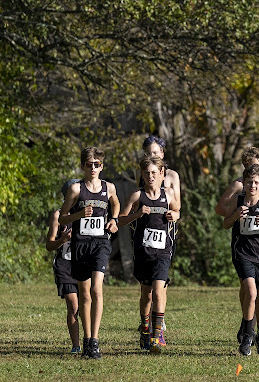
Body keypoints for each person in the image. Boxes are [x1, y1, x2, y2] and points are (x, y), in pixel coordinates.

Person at [215, 147, 259, 345]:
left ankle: (251, 326)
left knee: (257, 293)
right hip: (243, 243)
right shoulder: (239, 186)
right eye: (251, 167)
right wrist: (236, 214)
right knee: (247, 288)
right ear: (245, 169)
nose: (255, 169)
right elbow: (220, 208)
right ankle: (247, 325)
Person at [58, 147, 120, 359]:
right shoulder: (76, 190)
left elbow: (116, 204)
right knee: (84, 294)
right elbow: (62, 218)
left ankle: (95, 339)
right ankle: (86, 340)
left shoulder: (109, 188)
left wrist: (114, 220)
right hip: (80, 244)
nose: (92, 168)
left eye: (97, 164)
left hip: (100, 243)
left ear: (102, 166)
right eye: (89, 164)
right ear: (82, 166)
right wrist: (78, 215)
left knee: (96, 289)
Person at [118, 155, 180, 353]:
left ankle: (157, 334)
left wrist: (175, 215)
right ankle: (145, 329)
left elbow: (178, 210)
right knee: (146, 294)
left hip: (163, 250)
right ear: (142, 175)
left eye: (154, 173)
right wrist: (137, 214)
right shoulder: (137, 196)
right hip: (143, 251)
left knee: (159, 289)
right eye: (147, 173)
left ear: (162, 174)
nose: (151, 176)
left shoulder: (168, 194)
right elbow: (120, 220)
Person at [45, 178, 81, 354]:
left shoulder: (88, 213)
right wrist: (63, 239)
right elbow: (49, 245)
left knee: (86, 305)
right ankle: (76, 345)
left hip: (84, 264)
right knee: (73, 305)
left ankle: (90, 341)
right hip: (65, 265)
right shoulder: (58, 216)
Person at [142, 134, 181, 201]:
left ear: (162, 154)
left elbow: (177, 207)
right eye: (148, 153)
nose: (152, 156)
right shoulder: (140, 174)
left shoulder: (172, 175)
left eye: (155, 153)